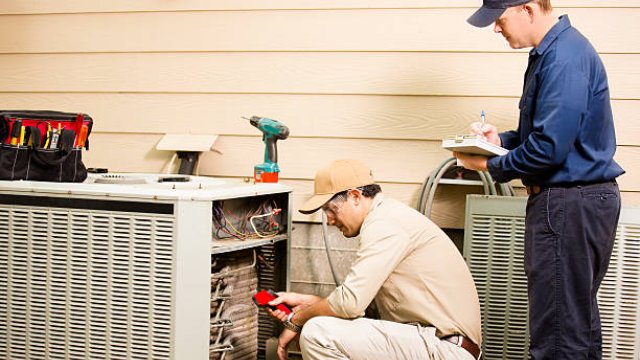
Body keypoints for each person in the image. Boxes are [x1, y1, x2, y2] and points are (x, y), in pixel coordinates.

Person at [458, 1, 624, 359]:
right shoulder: (555, 52)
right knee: (575, 326)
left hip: (567, 204)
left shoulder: (563, 59)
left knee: (558, 338)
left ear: (529, 9)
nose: (496, 29)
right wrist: (498, 142)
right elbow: (545, 134)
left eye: (500, 20)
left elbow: (548, 149)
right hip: (579, 202)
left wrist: (488, 166)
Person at [266, 159, 482, 360]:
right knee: (323, 324)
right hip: (430, 342)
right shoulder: (387, 217)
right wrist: (312, 303)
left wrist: (298, 319)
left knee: (318, 333)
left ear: (355, 197)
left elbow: (349, 304)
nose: (329, 220)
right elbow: (358, 307)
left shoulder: (385, 224)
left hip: (446, 349)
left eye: (331, 210)